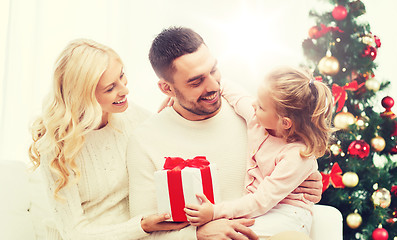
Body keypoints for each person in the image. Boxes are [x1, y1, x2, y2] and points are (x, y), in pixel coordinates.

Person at [126, 26, 323, 240]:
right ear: (167, 89)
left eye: (213, 70)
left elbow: (292, 148)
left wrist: (306, 181)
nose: (213, 86)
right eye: (196, 81)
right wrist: (197, 234)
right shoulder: (145, 140)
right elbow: (143, 232)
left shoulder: (252, 115)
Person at [28, 39, 187, 240]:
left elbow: (159, 141)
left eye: (122, 76)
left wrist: (168, 118)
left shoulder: (130, 115)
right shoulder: (56, 147)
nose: (124, 90)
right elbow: (74, 232)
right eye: (110, 88)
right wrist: (141, 226)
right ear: (82, 96)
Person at [183, 66, 334, 238]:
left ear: (284, 123)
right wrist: (179, 97)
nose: (253, 104)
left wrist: (215, 212)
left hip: (288, 215)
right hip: (259, 209)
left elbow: (262, 199)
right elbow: (229, 90)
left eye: (261, 106)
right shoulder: (257, 120)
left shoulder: (297, 155)